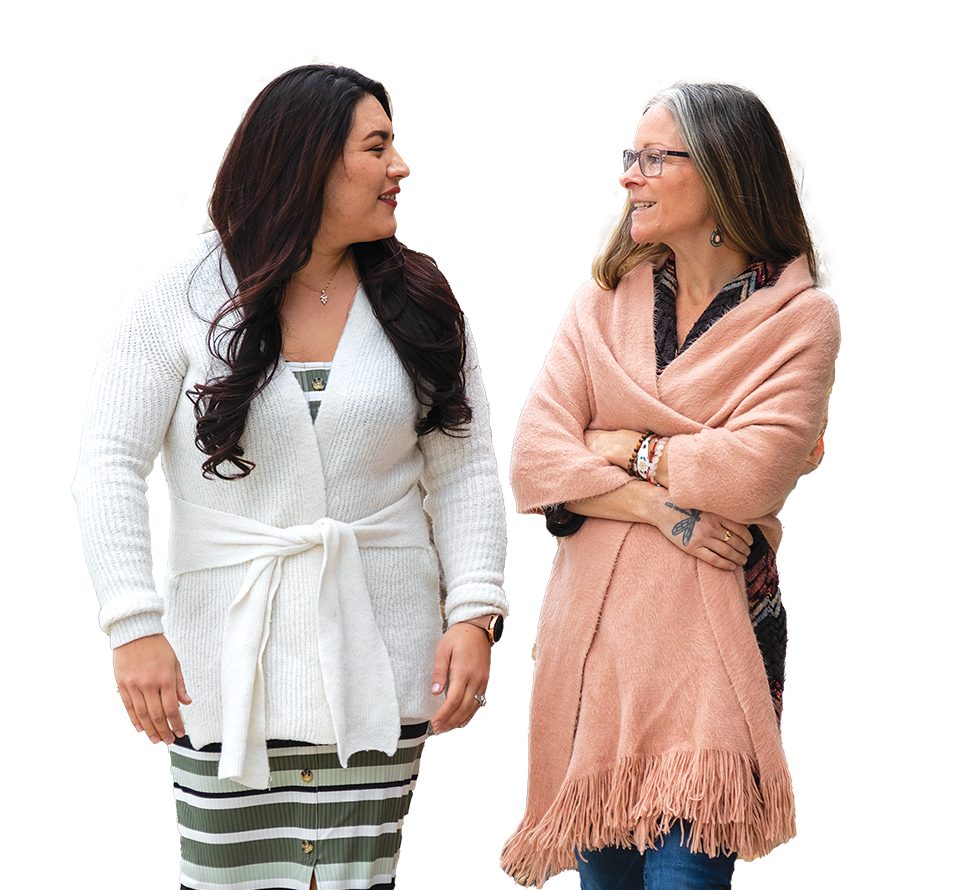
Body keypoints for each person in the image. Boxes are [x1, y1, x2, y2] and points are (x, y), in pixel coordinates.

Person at [72, 64, 508, 890]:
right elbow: (109, 471)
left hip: (380, 656)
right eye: (376, 147)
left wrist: (475, 612)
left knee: (356, 878)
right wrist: (133, 626)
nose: (400, 167)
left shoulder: (421, 298)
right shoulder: (178, 288)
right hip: (220, 660)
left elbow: (464, 472)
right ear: (306, 159)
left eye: (396, 145)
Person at [500, 80, 840, 890]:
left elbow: (752, 470)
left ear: (723, 175)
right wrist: (659, 507)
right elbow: (536, 460)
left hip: (708, 656)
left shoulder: (801, 320)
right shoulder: (599, 304)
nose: (629, 177)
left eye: (653, 158)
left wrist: (622, 444)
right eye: (630, 156)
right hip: (599, 655)